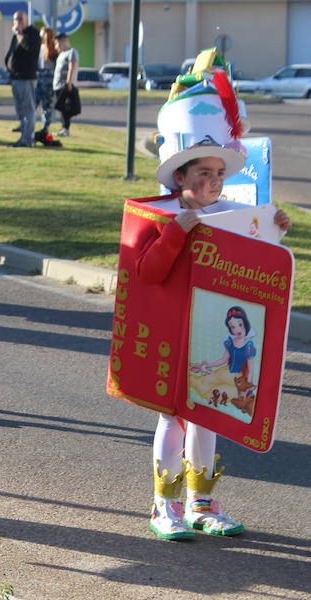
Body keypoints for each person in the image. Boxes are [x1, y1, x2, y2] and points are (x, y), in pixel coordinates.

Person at [130, 72, 290, 539]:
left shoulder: (231, 216)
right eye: (204, 173)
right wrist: (178, 230)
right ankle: (165, 504)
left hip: (211, 336)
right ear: (180, 175)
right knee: (173, 417)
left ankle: (201, 502)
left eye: (220, 174)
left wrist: (274, 226)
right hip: (172, 338)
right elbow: (148, 273)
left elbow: (257, 265)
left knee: (208, 414)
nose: (214, 182)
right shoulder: (161, 216)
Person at [189, 307, 257, 413]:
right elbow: (224, 359)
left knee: (214, 392)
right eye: (233, 327)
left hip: (238, 381)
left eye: (240, 325)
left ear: (245, 324)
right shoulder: (230, 342)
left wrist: (245, 389)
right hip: (225, 372)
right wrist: (209, 365)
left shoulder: (249, 346)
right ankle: (183, 377)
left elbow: (250, 370)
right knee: (204, 381)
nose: (237, 330)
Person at [3, 10, 40, 147]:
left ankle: (28, 139)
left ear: (26, 20)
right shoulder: (16, 35)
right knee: (20, 109)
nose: (17, 22)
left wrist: (19, 34)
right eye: (15, 19)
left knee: (28, 109)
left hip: (27, 77)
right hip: (16, 77)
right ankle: (23, 136)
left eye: (20, 19)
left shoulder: (32, 33)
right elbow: (13, 53)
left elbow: (29, 48)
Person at [53, 34, 79, 137]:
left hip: (65, 85)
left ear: (64, 41)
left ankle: (66, 129)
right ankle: (63, 127)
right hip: (57, 85)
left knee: (64, 107)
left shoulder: (72, 52)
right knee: (61, 108)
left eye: (57, 43)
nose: (56, 46)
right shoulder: (61, 54)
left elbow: (72, 67)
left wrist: (69, 82)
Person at [36, 27, 57, 136]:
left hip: (49, 79)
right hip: (39, 77)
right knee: (34, 102)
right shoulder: (40, 48)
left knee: (47, 105)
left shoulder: (53, 49)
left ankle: (45, 127)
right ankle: (26, 124)